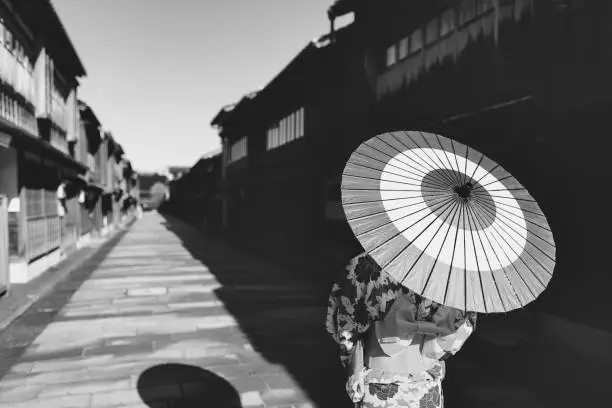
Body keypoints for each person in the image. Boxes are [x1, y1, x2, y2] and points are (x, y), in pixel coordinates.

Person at [326, 252, 477, 408]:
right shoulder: (455, 274)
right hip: (425, 385)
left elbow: (345, 327)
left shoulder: (365, 264)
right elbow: (458, 332)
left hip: (377, 381)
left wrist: (353, 362)